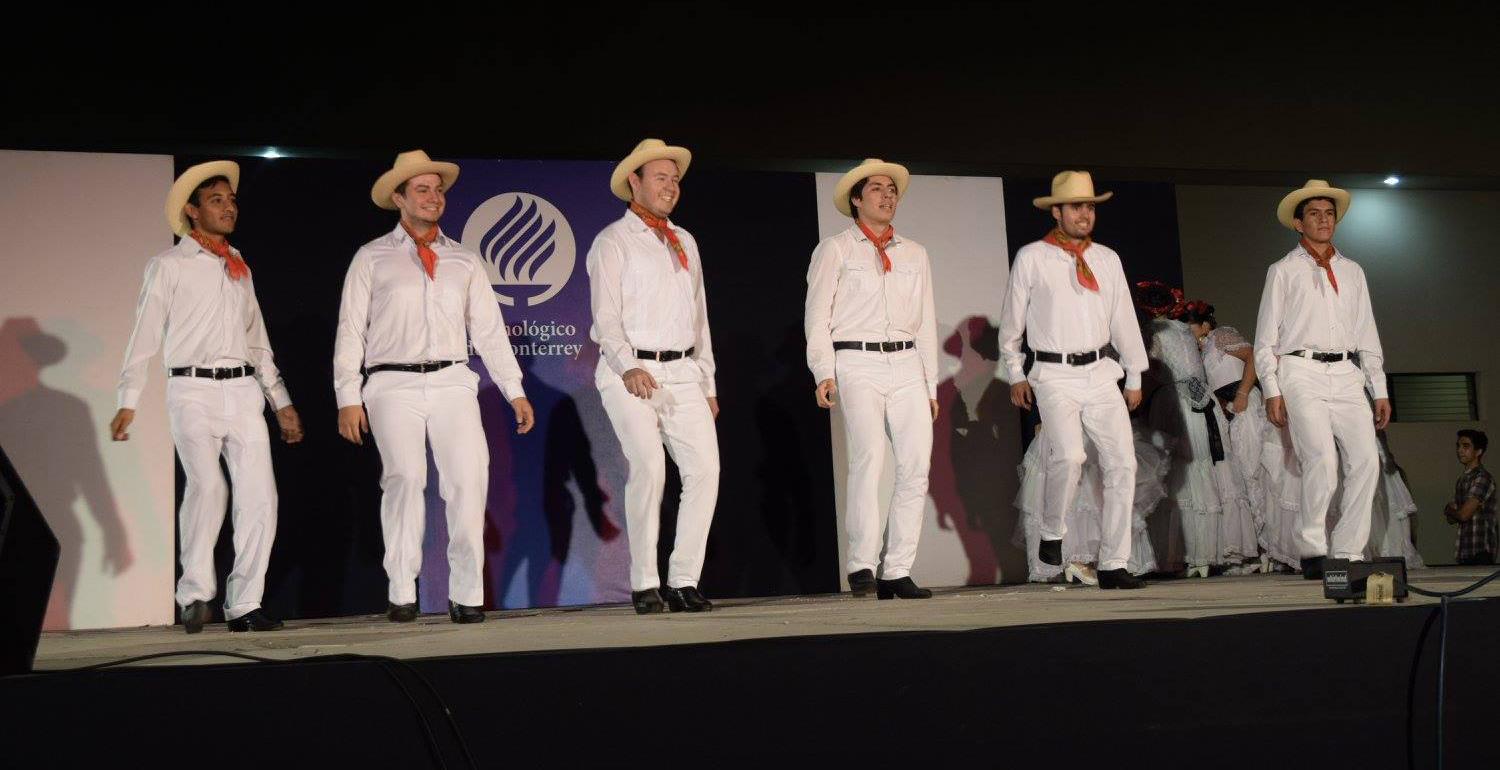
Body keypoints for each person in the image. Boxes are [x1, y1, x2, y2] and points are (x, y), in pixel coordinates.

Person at [334, 151, 534, 624]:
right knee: (404, 480)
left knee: (468, 479)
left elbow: (487, 330)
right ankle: (402, 590)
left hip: (451, 380)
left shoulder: (463, 259)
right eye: (421, 189)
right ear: (398, 198)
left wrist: (514, 389)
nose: (433, 197)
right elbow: (350, 330)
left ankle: (466, 594)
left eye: (437, 189)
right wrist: (347, 395)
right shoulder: (372, 257)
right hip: (390, 381)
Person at [113, 160, 304, 633]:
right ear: (192, 212)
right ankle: (195, 595)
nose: (229, 207)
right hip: (191, 388)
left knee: (261, 495)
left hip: (241, 391)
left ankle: (246, 604)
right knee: (209, 485)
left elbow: (256, 337)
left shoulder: (240, 265)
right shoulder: (168, 265)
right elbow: (145, 334)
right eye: (216, 200)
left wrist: (279, 399)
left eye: (232, 199)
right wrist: (128, 398)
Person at [588, 139, 720, 614]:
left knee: (706, 470)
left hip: (683, 370)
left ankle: (683, 581)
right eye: (660, 178)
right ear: (634, 183)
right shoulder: (612, 241)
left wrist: (707, 383)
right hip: (632, 370)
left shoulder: (685, 241)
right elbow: (606, 319)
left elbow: (699, 318)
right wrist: (629, 367)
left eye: (675, 179)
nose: (670, 186)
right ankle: (645, 581)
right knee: (649, 467)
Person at [999, 171, 1149, 589]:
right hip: (1053, 372)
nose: (1086, 214)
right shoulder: (1033, 257)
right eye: (1077, 206)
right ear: (1057, 211)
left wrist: (1134, 373)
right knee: (1069, 456)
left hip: (1101, 372)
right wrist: (1015, 372)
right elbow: (1011, 324)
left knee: (1123, 463)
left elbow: (1123, 319)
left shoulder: (1107, 258)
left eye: (1091, 206)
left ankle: (1115, 564)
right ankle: (1052, 531)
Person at [805, 158, 938, 599]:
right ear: (857, 200)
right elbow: (817, 317)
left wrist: (930, 383)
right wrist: (823, 370)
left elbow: (926, 323)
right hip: (856, 361)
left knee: (916, 465)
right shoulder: (836, 249)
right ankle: (861, 564)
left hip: (905, 364)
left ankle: (897, 569)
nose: (887, 196)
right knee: (868, 459)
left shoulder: (915, 252)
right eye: (877, 189)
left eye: (892, 189)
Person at [1254, 180, 1388, 579]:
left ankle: (1349, 550)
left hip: (1347, 373)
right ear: (1298, 223)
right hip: (1301, 369)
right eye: (1314, 213)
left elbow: (1367, 332)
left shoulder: (1353, 271)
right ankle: (1313, 548)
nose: (1323, 220)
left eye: (1329, 213)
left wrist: (1377, 387)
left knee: (1366, 460)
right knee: (1322, 461)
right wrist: (1272, 388)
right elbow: (1266, 339)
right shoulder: (1282, 271)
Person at [1139, 284, 1221, 577]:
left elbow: (1154, 370)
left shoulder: (1154, 332)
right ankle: (1204, 555)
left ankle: (1177, 553)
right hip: (1200, 398)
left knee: (1173, 473)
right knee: (1200, 469)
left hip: (1173, 399)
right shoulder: (1184, 329)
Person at [1445, 429, 1496, 565]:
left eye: (1466, 446)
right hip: (1466, 549)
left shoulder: (1482, 477)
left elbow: (1462, 515)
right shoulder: (1463, 479)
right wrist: (1453, 512)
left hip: (1480, 549)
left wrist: (1450, 510)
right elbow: (1451, 518)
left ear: (1478, 451)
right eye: (1458, 446)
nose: (1460, 450)